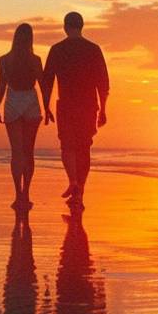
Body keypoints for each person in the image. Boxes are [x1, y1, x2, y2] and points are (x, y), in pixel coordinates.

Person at [41, 11, 109, 207]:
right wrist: (103, 109)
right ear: (82, 26)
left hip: (67, 104)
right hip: (88, 105)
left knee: (67, 147)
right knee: (84, 148)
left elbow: (47, 81)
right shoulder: (94, 49)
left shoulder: (57, 49)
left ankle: (73, 181)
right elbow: (103, 82)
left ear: (65, 27)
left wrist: (46, 106)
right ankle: (80, 193)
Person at [0, 23, 44, 209]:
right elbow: (43, 84)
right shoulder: (35, 60)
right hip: (31, 101)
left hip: (12, 101)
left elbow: (1, 85)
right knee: (29, 151)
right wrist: (47, 107)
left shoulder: (4, 60)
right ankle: (26, 193)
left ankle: (18, 194)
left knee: (17, 151)